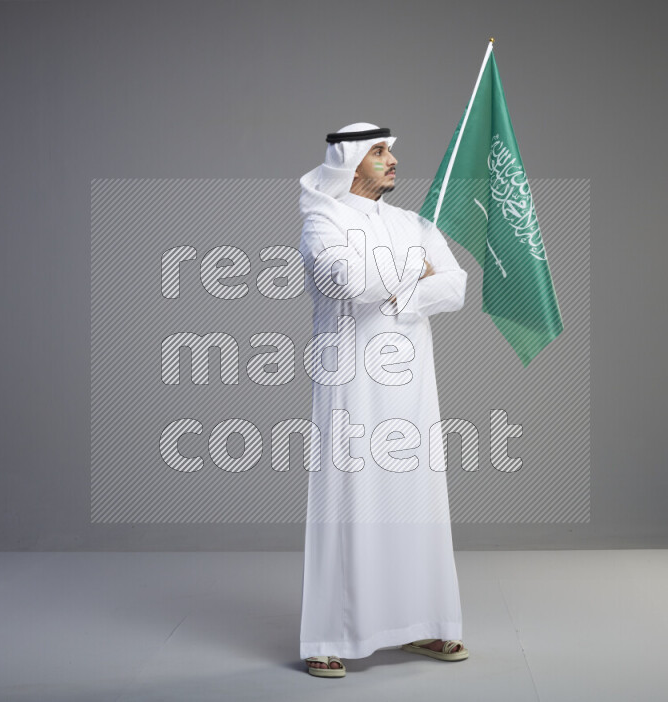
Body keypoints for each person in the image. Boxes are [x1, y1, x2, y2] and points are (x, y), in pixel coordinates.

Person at [298, 123, 470, 677]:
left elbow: (457, 285)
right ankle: (328, 636)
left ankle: (427, 625)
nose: (391, 160)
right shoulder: (322, 217)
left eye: (391, 151)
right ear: (348, 162)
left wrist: (399, 290)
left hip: (412, 381)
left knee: (416, 494)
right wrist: (413, 275)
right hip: (350, 379)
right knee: (349, 498)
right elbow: (344, 279)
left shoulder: (411, 222)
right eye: (378, 152)